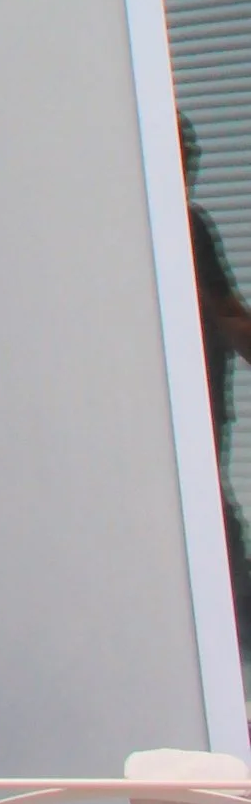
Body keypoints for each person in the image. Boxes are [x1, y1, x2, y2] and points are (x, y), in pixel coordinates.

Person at [182, 114, 251, 640]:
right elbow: (229, 317)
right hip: (189, 414)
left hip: (201, 410)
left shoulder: (186, 229)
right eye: (185, 151)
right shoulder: (183, 228)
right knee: (213, 533)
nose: (196, 160)